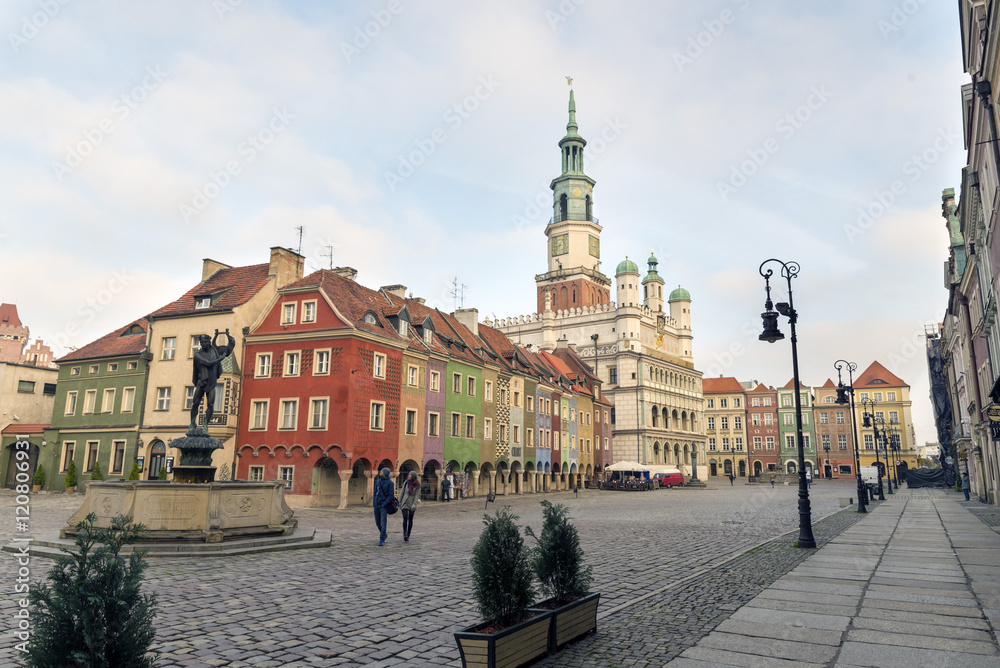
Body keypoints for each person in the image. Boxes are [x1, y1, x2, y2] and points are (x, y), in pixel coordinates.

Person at [188, 330, 235, 432]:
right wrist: (220, 359)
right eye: (202, 342)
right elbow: (208, 363)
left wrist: (229, 338)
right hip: (201, 381)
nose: (203, 344)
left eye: (205, 342)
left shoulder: (214, 350)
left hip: (211, 382)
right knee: (195, 403)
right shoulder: (197, 354)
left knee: (210, 404)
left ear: (209, 342)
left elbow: (228, 349)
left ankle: (206, 424)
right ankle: (192, 422)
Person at [373, 467, 394, 546]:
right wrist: (374, 502)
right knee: (377, 522)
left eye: (381, 471)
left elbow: (391, 495)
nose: (380, 472)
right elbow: (375, 492)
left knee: (383, 523)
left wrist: (384, 504)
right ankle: (384, 534)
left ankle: (382, 539)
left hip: (383, 505)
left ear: (385, 473)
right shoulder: (378, 481)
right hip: (377, 504)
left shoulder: (390, 483)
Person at [399, 471, 420, 541]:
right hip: (404, 502)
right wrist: (399, 501)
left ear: (413, 476)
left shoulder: (417, 484)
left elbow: (417, 494)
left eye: (410, 475)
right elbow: (402, 492)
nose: (408, 476)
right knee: (405, 517)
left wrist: (414, 504)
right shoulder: (406, 483)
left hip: (412, 503)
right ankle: (405, 532)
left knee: (410, 519)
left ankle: (408, 534)